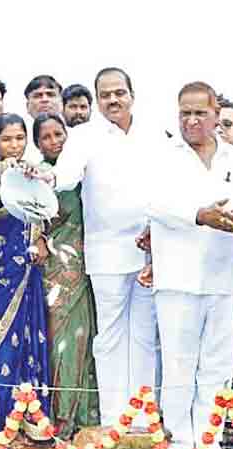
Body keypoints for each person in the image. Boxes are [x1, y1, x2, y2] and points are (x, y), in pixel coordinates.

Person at [148, 81, 233, 449]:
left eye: (200, 113)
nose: (192, 120)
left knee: (217, 364)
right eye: (185, 113)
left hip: (225, 275)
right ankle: (178, 443)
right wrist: (198, 214)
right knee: (178, 362)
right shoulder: (163, 156)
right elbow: (154, 203)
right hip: (177, 276)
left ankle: (207, 442)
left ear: (215, 114)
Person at [50, 67, 160, 427]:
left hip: (150, 253)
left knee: (144, 335)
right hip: (106, 252)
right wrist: (40, 176)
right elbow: (64, 177)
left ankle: (143, 417)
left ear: (132, 94)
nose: (113, 100)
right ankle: (114, 421)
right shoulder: (84, 136)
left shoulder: (154, 133)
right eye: (106, 94)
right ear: (97, 100)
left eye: (119, 92)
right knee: (110, 335)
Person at [0, 114, 52, 430]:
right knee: (0, 334)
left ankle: (30, 414)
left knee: (29, 334)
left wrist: (42, 239)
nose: (14, 145)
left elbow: (42, 212)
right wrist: (3, 172)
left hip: (28, 267)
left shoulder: (33, 172)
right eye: (7, 139)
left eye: (20, 138)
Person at [34, 112, 100, 436]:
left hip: (85, 268)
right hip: (54, 273)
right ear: (37, 144)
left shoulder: (81, 173)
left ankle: (87, 418)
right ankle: (61, 418)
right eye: (46, 137)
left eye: (59, 134)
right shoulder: (38, 178)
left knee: (85, 341)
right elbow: (33, 223)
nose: (54, 142)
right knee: (60, 345)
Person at [23, 75, 63, 164]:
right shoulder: (18, 140)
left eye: (50, 94)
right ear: (27, 106)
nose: (44, 100)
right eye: (37, 96)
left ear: (61, 102)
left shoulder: (77, 136)